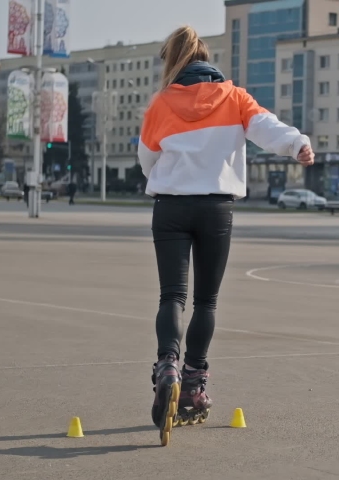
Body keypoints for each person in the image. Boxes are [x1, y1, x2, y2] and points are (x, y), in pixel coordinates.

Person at [138, 25, 314, 446]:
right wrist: (298, 144)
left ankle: (167, 366)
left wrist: (171, 176)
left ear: (173, 62)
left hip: (170, 207)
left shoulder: (161, 103)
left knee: (171, 297)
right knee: (206, 301)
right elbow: (268, 128)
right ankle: (194, 387)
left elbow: (147, 158)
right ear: (206, 58)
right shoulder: (234, 97)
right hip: (216, 208)